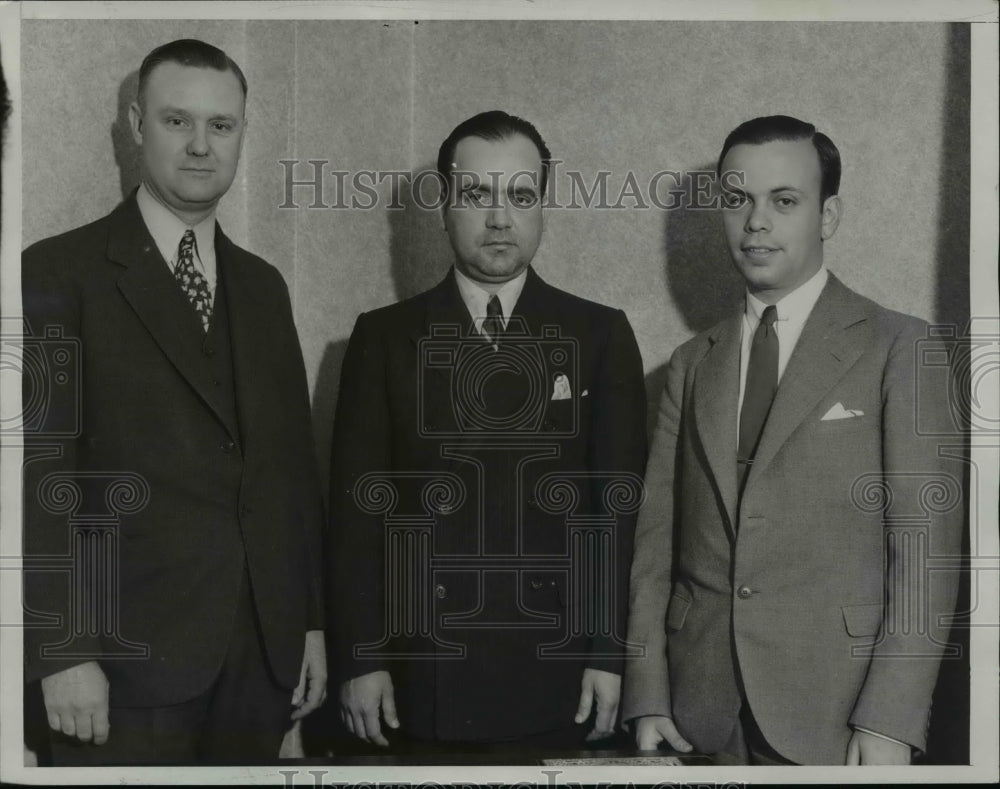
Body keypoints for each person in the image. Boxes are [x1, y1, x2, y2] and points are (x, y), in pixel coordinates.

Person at [21, 39, 327, 764]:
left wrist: (309, 623)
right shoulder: (58, 271)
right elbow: (38, 476)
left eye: (221, 126)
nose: (200, 146)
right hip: (123, 667)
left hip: (259, 665)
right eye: (176, 121)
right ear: (134, 124)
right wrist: (60, 651)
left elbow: (286, 472)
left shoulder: (263, 286)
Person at [622, 115, 962, 765]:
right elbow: (654, 549)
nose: (756, 222)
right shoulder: (690, 364)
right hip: (700, 717)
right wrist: (648, 693)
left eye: (784, 201)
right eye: (737, 200)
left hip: (838, 716)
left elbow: (925, 556)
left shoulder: (900, 346)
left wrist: (890, 721)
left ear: (828, 216)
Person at [329, 110, 647, 752]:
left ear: (543, 207)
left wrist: (609, 657)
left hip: (558, 672)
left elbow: (617, 519)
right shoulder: (383, 337)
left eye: (520, 196)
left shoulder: (599, 334)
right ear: (444, 207)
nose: (499, 218)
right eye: (477, 195)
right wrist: (363, 659)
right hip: (421, 677)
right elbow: (355, 517)